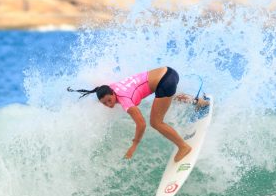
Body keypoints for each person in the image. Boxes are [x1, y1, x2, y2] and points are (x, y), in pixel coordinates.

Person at [68, 66, 207, 162]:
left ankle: (183, 147)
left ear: (112, 93)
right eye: (105, 104)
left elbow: (141, 123)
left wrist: (134, 145)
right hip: (169, 71)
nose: (109, 105)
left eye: (110, 100)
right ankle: (199, 102)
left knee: (156, 122)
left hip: (165, 82)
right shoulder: (112, 86)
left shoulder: (125, 100)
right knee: (167, 97)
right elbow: (102, 90)